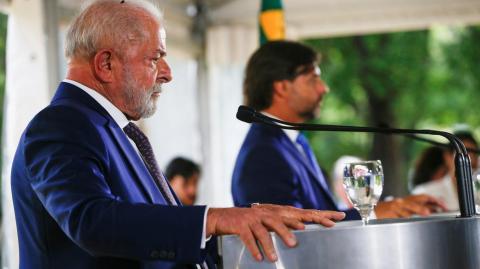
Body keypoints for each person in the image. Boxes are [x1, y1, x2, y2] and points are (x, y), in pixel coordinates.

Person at [10, 2, 346, 269]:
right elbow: (91, 221)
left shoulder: (114, 127)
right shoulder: (61, 125)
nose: (167, 74)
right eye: (155, 58)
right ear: (106, 65)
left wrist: (237, 231)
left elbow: (153, 229)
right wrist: (214, 218)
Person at [231, 40, 446, 221]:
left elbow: (315, 212)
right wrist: (372, 213)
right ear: (281, 87)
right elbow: (290, 231)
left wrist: (387, 208)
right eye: (313, 78)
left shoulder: (292, 142)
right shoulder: (264, 153)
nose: (324, 88)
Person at [412, 130, 479, 211]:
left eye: (474, 154)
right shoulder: (426, 193)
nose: (470, 160)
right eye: (464, 155)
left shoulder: (477, 192)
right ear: (447, 157)